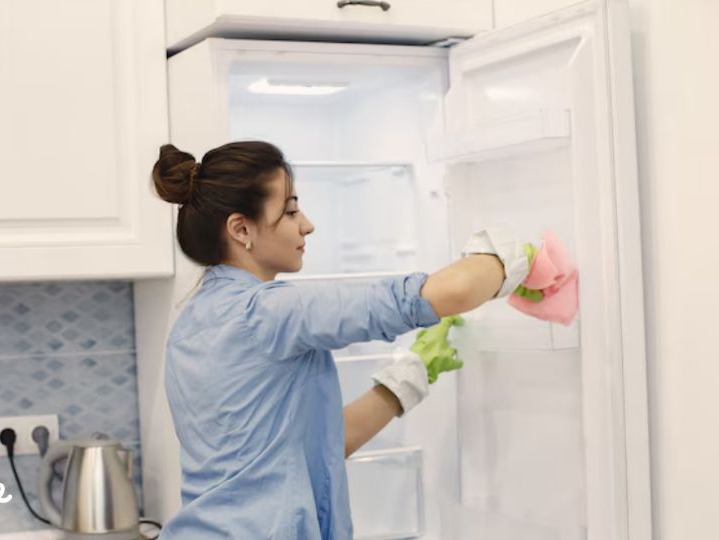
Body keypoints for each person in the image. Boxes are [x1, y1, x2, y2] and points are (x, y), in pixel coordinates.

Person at [150, 141, 530, 539]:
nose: (307, 224)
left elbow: (314, 449)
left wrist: (408, 377)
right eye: (291, 210)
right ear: (241, 229)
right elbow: (448, 293)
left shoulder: (192, 320)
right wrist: (513, 256)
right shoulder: (269, 311)